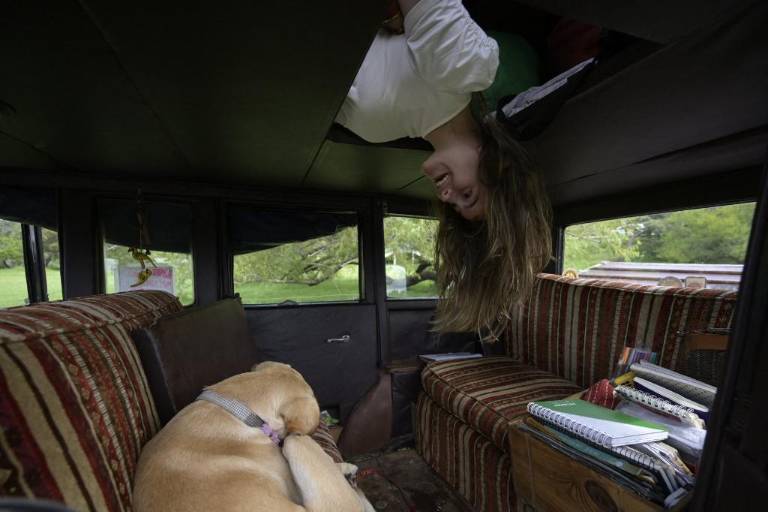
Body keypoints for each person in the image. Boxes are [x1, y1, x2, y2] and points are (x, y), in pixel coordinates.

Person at [336, 0, 552, 340]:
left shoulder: (376, 133)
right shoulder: (469, 69)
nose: (446, 195)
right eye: (468, 195)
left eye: (454, 205)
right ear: (497, 163)